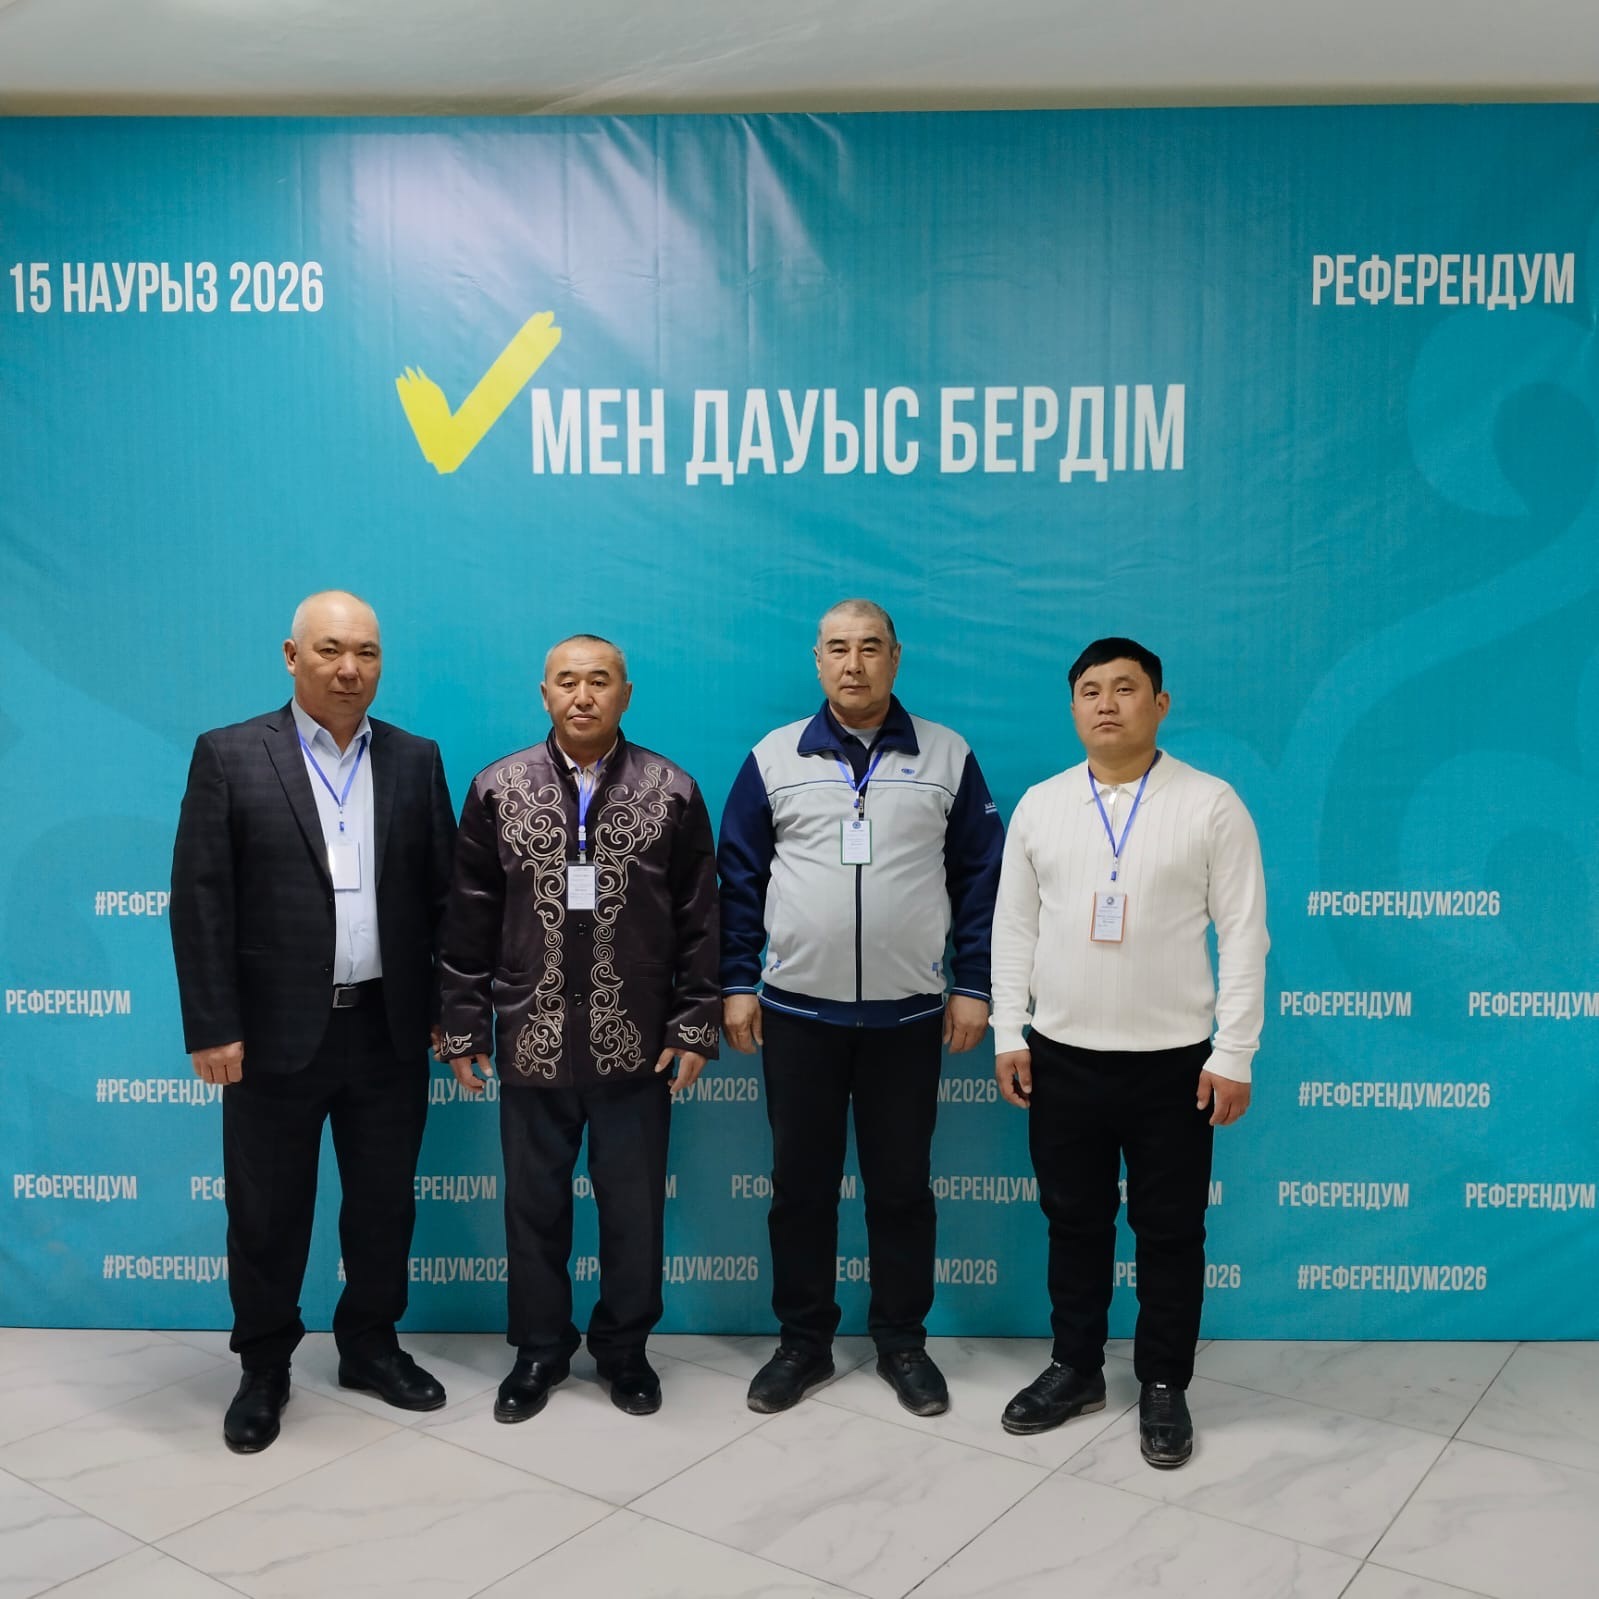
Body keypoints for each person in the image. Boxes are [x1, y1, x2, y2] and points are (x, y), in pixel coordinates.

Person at [170, 590, 457, 1454]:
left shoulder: (414, 758)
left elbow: (445, 899)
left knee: (382, 1205)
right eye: (330, 649)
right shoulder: (229, 754)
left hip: (387, 1028)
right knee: (267, 1213)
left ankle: (370, 1344)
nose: (349, 668)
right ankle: (264, 1366)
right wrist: (212, 1024)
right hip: (269, 1036)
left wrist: (448, 1010)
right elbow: (201, 901)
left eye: (366, 651)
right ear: (291, 656)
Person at [719, 599, 1003, 1417]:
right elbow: (737, 876)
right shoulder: (775, 757)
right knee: (799, 1188)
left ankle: (901, 1341)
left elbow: (980, 878)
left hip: (906, 1019)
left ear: (895, 657)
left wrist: (974, 984)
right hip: (797, 1016)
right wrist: (735, 981)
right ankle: (801, 1342)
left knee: (901, 1188)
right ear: (817, 660)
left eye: (870, 647)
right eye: (838, 648)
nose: (854, 664)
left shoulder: (947, 755)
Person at [990, 637, 1267, 1468]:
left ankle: (1163, 1382)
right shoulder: (1041, 804)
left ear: (1159, 703)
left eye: (1124, 688)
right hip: (1061, 1055)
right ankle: (1074, 1367)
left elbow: (1244, 934)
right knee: (1072, 1222)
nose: (1106, 703)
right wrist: (1008, 1029)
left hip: (1173, 1064)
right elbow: (1013, 927)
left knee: (1170, 1231)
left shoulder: (1210, 803)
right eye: (1090, 690)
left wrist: (1234, 1051)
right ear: (1073, 706)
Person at [437, 636, 719, 1423]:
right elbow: (467, 919)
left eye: (599, 681)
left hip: (637, 1042)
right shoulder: (498, 788)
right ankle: (538, 1348)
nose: (583, 695)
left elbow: (701, 918)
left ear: (626, 693)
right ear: (544, 693)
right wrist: (462, 1026)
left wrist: (694, 1022)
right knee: (532, 1207)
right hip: (529, 1034)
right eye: (567, 681)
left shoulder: (670, 789)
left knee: (633, 1208)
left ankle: (624, 1350)